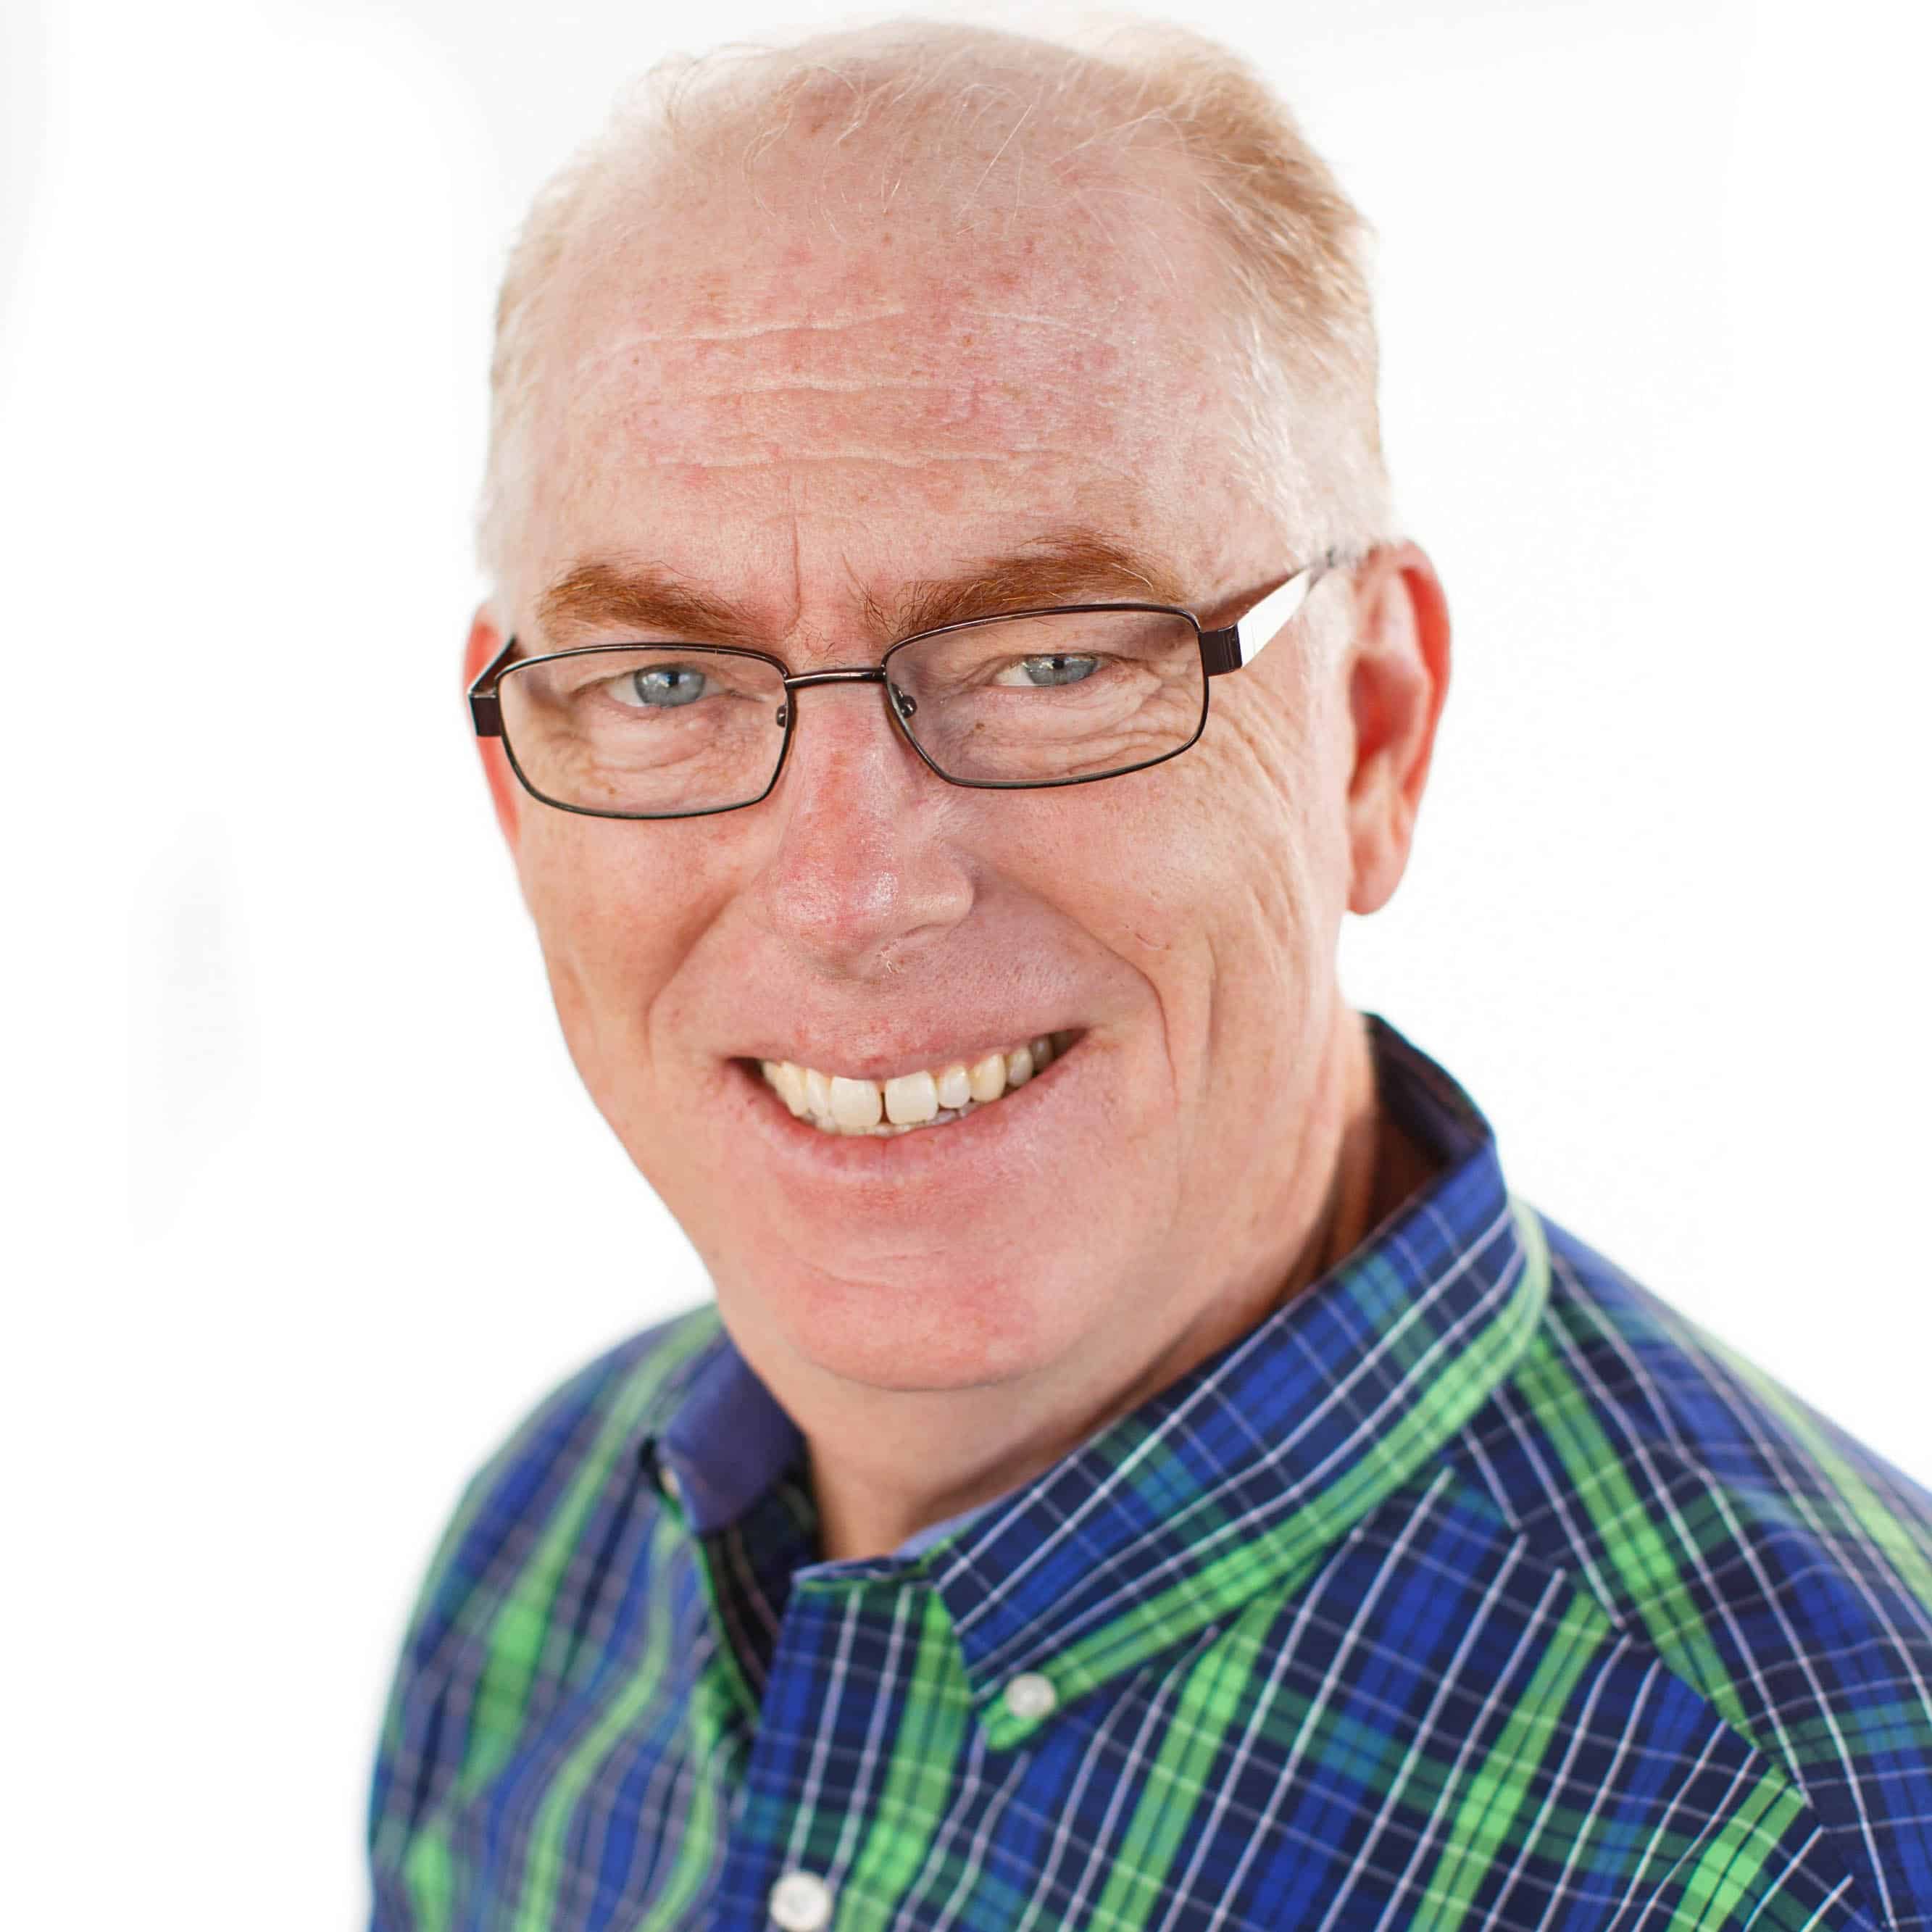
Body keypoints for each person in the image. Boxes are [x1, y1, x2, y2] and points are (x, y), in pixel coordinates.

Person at [367, 19, 1932, 1930]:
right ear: (513, 783)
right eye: (666, 682)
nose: (852, 888)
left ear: (1366, 733)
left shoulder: (1821, 1844)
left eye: (1046, 659)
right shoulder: (541, 1582)